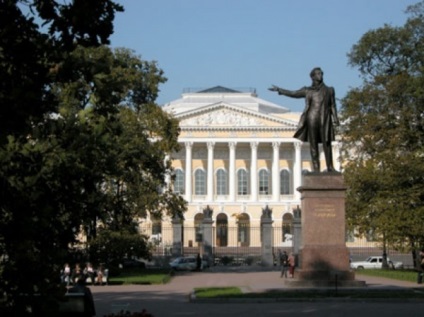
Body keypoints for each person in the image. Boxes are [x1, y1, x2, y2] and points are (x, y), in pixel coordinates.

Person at [269, 67, 340, 172]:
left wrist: (335, 119)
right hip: (312, 118)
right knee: (313, 144)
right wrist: (280, 90)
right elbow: (294, 93)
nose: (320, 75)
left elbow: (333, 106)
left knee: (327, 142)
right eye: (318, 74)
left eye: (321, 73)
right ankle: (316, 168)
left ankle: (330, 166)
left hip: (325, 118)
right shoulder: (307, 90)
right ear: (313, 77)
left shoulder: (330, 90)